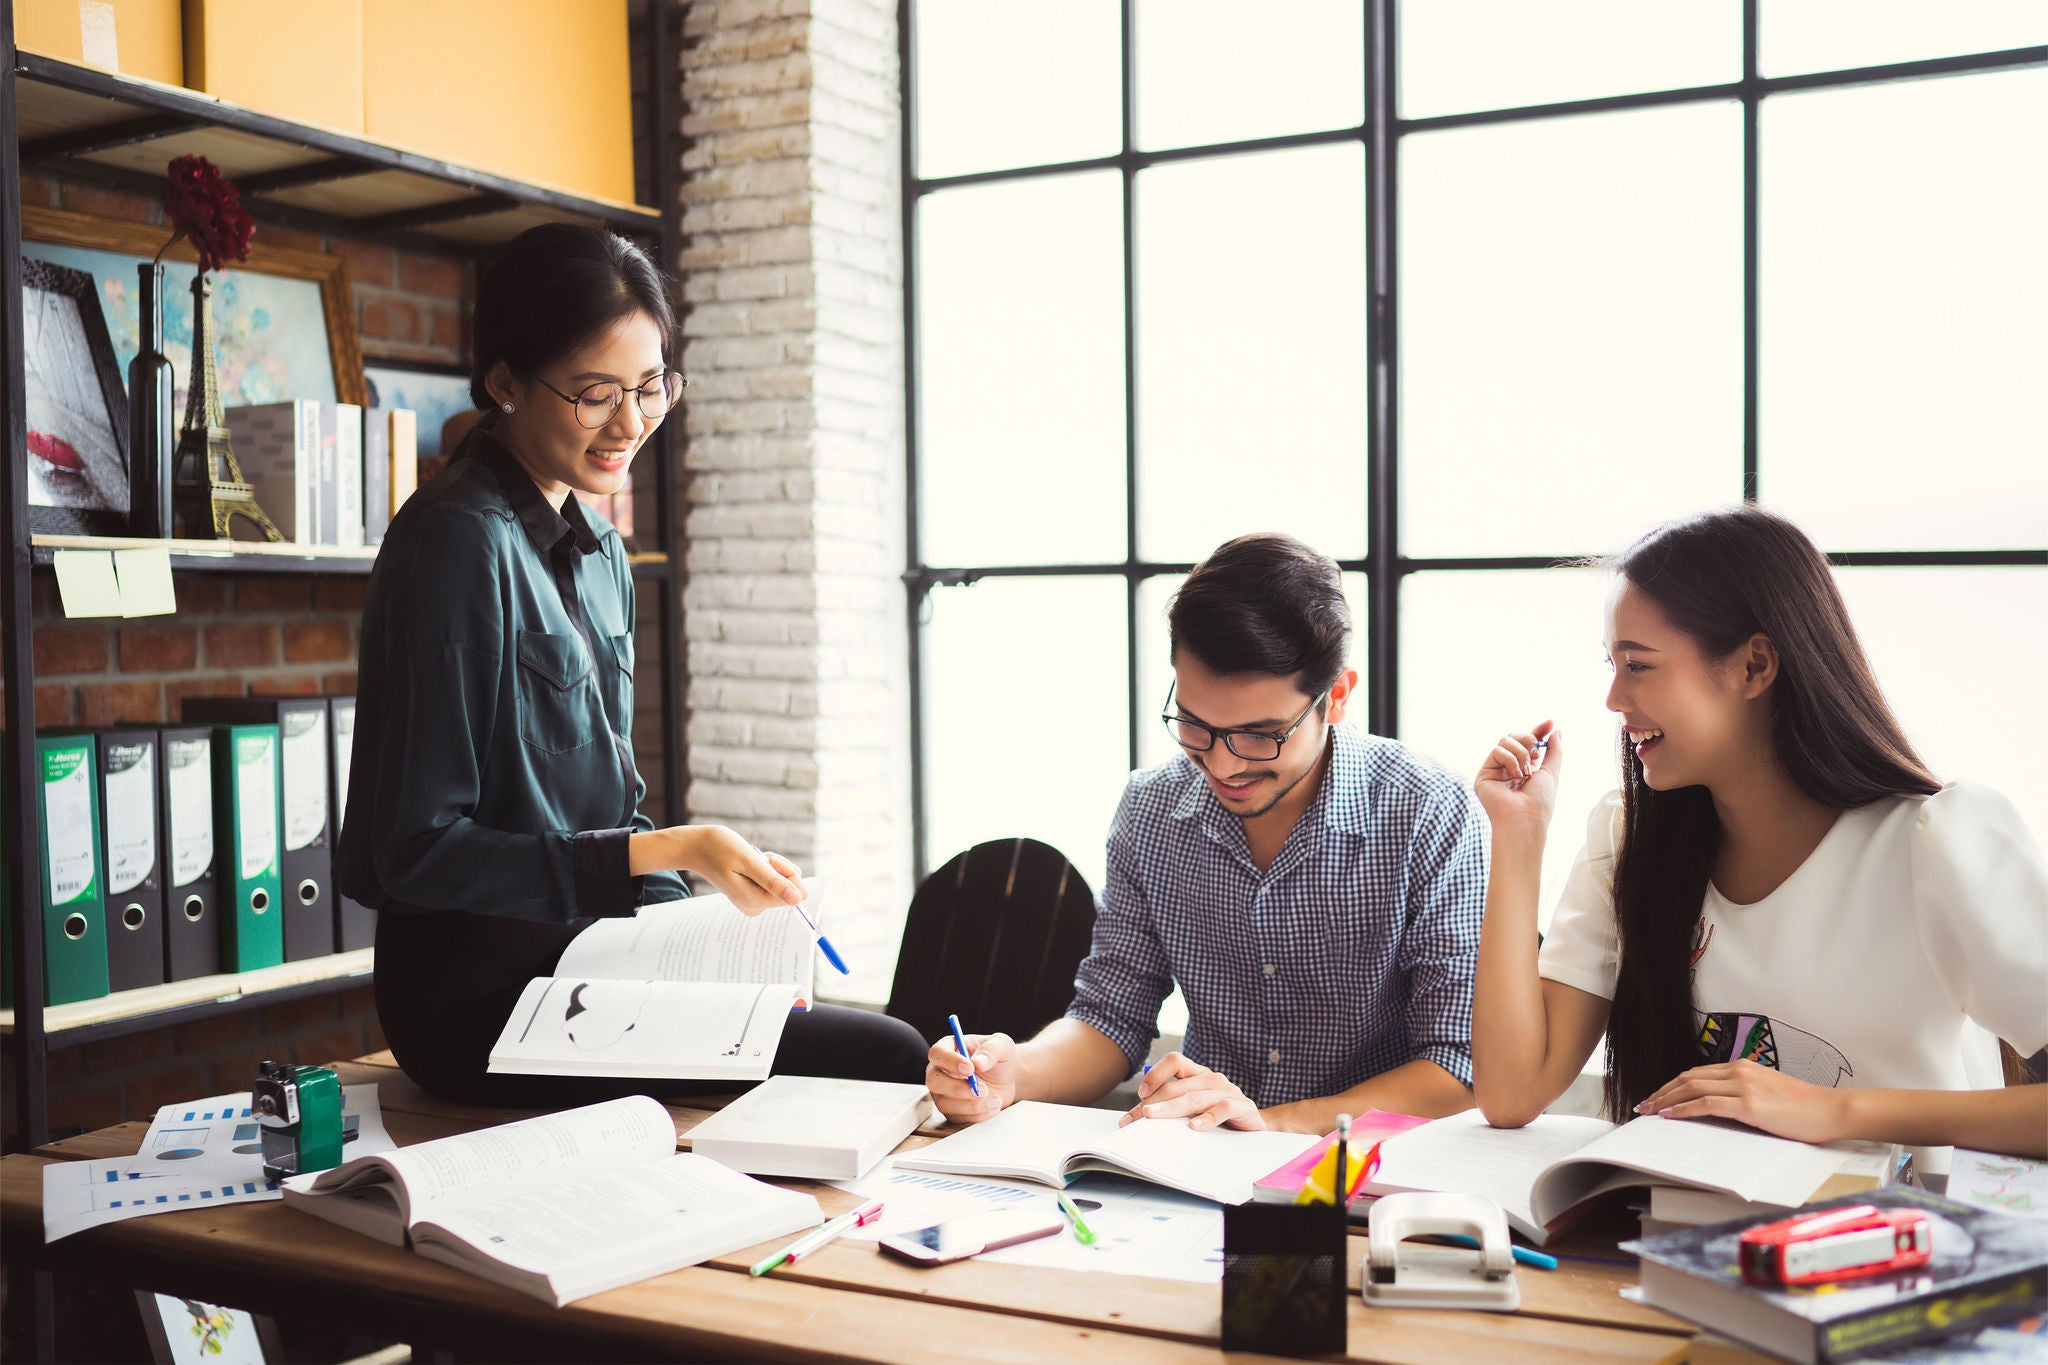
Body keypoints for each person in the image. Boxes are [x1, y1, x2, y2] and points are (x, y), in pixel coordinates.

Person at [338, 224, 926, 1104]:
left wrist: (703, 942)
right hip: (478, 999)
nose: (631, 424)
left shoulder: (601, 550)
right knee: (883, 1053)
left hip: (595, 961)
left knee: (854, 1034)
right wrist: (676, 848)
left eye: (651, 388)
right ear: (504, 382)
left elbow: (615, 810)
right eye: (594, 394)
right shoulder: (457, 543)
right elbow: (414, 852)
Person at [1469, 505, 2047, 1161]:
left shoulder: (1936, 839)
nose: (1612, 699)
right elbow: (1512, 1093)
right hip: (1702, 1244)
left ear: (1754, 666)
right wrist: (1519, 837)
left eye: (1639, 665)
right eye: (1612, 663)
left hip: (1909, 1250)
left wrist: (1836, 1109)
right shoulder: (1629, 838)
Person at [926, 533, 1487, 1134]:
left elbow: (1456, 1068)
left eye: (1260, 735)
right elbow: (1110, 1019)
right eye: (1194, 725)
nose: (1223, 767)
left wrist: (1268, 1125)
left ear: (1338, 696)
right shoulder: (1151, 808)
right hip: (1203, 1167)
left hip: (1370, 1177)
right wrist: (1016, 1074)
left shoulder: (1430, 810)